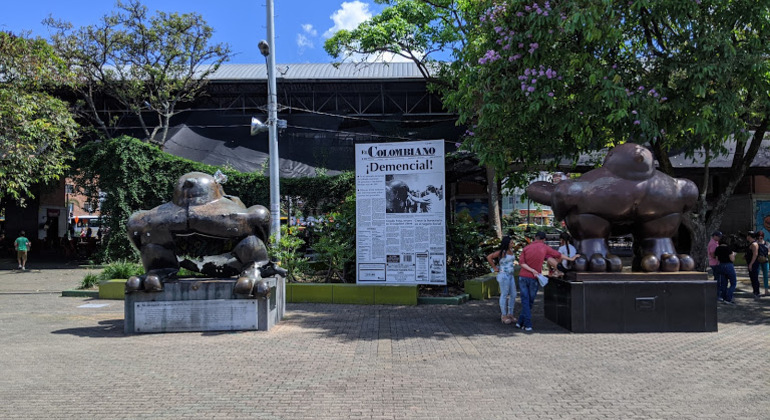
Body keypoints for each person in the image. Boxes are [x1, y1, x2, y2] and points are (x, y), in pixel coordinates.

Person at [516, 231, 580, 331]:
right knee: (530, 302)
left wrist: (530, 270)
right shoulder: (545, 247)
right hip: (534, 278)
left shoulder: (526, 248)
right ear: (544, 239)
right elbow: (559, 255)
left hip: (523, 276)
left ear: (535, 238)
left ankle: (520, 322)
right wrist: (571, 259)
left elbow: (521, 263)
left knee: (525, 301)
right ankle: (527, 324)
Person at [487, 236, 518, 324]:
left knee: (513, 294)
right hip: (504, 275)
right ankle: (504, 315)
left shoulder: (511, 251)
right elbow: (489, 257)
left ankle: (510, 313)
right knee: (504, 294)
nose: (513, 244)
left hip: (511, 275)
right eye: (511, 243)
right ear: (507, 243)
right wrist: (494, 267)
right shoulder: (502, 252)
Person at [713, 237, 737, 304]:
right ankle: (728, 297)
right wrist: (734, 255)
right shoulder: (728, 248)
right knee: (733, 283)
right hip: (728, 265)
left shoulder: (717, 249)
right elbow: (732, 259)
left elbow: (717, 258)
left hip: (721, 265)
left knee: (723, 283)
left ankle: (723, 297)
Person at [707, 231, 723, 300]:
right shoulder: (713, 243)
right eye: (718, 236)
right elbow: (712, 254)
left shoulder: (715, 242)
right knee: (718, 280)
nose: (720, 238)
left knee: (717, 279)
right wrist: (718, 257)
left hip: (714, 263)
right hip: (715, 263)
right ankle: (717, 295)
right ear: (715, 236)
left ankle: (717, 294)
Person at [745, 231, 761, 299]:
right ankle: (755, 291)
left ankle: (757, 292)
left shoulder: (754, 244)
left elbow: (755, 255)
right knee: (752, 277)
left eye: (747, 236)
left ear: (749, 236)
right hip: (750, 262)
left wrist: (751, 264)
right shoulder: (750, 244)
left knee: (754, 277)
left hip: (754, 263)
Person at [757, 231, 769, 296]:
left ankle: (766, 290)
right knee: (757, 275)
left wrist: (765, 256)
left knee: (766, 276)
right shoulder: (756, 244)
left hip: (765, 260)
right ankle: (757, 290)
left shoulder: (767, 244)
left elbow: (769, 252)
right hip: (758, 260)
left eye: (761, 238)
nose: (759, 239)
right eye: (758, 238)